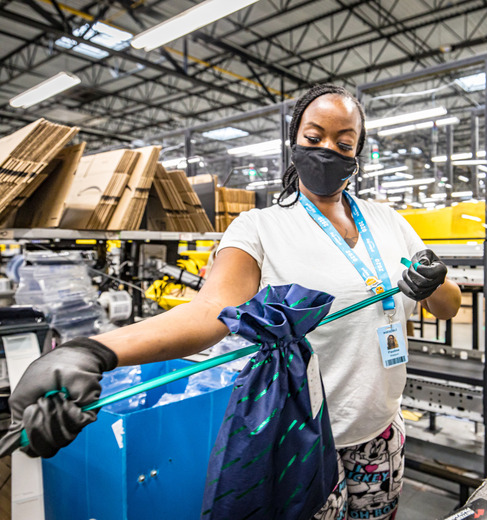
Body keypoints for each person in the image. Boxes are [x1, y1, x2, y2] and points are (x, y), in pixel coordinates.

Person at [0, 84, 462, 520]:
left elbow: (448, 306)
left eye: (345, 143)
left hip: (382, 432)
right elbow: (208, 313)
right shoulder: (259, 227)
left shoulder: (387, 221)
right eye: (314, 137)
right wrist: (94, 351)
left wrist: (434, 284)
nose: (328, 151)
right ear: (294, 143)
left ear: (357, 153)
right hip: (305, 438)